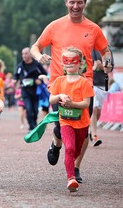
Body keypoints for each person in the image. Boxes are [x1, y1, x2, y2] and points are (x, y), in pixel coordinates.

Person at [31, 0, 112, 183]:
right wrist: (39, 56)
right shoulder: (55, 26)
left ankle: (75, 167)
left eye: (80, 2)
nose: (76, 6)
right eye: (72, 2)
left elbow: (105, 50)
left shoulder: (93, 28)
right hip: (59, 85)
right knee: (62, 126)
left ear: (84, 4)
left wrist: (108, 61)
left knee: (82, 130)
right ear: (66, 3)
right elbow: (35, 46)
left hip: (84, 85)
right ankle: (56, 143)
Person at [48, 47, 94, 192]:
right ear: (62, 64)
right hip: (65, 121)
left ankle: (71, 163)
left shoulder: (84, 82)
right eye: (65, 61)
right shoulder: (59, 81)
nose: (69, 63)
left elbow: (86, 104)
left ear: (80, 64)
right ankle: (71, 178)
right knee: (69, 148)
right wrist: (60, 96)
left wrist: (72, 104)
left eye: (72, 60)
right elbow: (51, 99)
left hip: (82, 123)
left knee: (76, 150)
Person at [13, 47, 47, 131]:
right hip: (25, 91)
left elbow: (44, 74)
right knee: (28, 108)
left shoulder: (36, 65)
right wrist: (14, 81)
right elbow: (16, 75)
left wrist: (39, 80)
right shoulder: (20, 66)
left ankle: (34, 122)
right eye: (23, 54)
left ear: (30, 54)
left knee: (35, 110)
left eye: (26, 53)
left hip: (35, 91)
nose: (24, 56)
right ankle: (31, 127)